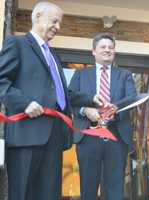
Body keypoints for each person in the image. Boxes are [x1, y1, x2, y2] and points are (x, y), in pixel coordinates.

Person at [0, 2, 104, 200]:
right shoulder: (17, 44)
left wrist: (91, 98)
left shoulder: (54, 55)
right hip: (27, 136)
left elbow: (61, 94)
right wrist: (24, 103)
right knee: (22, 194)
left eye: (60, 23)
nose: (58, 27)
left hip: (55, 138)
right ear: (38, 17)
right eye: (54, 21)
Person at [69, 32, 138, 200]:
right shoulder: (80, 74)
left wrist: (115, 108)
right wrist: (85, 110)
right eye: (103, 47)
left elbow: (132, 98)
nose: (107, 50)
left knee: (115, 188)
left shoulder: (125, 75)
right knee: (88, 186)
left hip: (116, 135)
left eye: (111, 47)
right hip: (88, 136)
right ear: (93, 51)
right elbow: (70, 98)